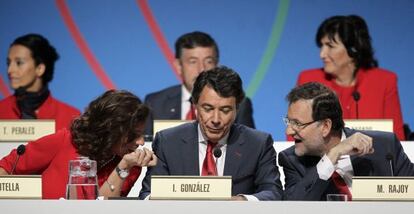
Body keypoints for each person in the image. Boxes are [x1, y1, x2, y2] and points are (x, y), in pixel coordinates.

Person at [139, 66, 283, 201]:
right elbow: (147, 194)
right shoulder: (168, 142)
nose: (216, 119)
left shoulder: (258, 144)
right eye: (208, 108)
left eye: (225, 110)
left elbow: (273, 193)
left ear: (236, 110)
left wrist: (241, 201)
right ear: (195, 106)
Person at [0, 90, 157, 199]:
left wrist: (123, 167)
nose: (141, 142)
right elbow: (5, 168)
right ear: (110, 130)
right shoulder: (65, 141)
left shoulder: (129, 165)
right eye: (133, 135)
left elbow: (103, 209)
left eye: (142, 134)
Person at [278, 82, 414, 201]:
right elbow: (293, 206)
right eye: (289, 122)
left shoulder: (385, 146)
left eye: (297, 123)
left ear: (325, 126)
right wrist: (331, 157)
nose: (288, 132)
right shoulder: (292, 160)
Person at [296, 15, 405, 140]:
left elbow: (397, 139)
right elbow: (296, 136)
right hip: (322, 159)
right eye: (321, 46)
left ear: (353, 50)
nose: (322, 54)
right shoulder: (309, 80)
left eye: (330, 46)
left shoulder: (384, 81)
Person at [144, 31, 255, 137]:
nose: (201, 69)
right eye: (193, 61)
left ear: (217, 65)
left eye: (208, 61)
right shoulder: (155, 103)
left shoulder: (239, 103)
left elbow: (248, 149)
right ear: (179, 66)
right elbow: (145, 147)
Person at [0, 33, 80, 130]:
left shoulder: (71, 117)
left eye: (19, 63)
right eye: (8, 63)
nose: (10, 70)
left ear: (40, 68)